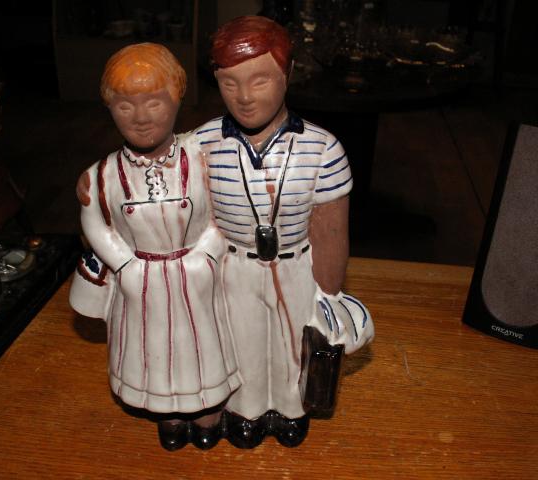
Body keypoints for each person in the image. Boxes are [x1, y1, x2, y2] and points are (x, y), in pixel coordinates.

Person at [193, 16, 374, 448]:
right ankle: (246, 412)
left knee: (293, 342)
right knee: (241, 341)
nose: (244, 97)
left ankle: (291, 411)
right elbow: (190, 215)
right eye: (229, 83)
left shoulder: (323, 149)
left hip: (298, 267)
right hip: (232, 266)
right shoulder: (200, 144)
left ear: (288, 74)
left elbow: (331, 231)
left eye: (260, 80)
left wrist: (328, 294)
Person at [69, 43, 241, 451]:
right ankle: (169, 415)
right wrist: (124, 265)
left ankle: (207, 410)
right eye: (125, 106)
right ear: (110, 109)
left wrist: (208, 254)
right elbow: (95, 224)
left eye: (154, 103)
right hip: (141, 284)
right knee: (153, 350)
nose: (141, 118)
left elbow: (224, 213)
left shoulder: (204, 161)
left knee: (201, 346)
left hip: (196, 277)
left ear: (177, 99)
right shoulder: (102, 176)